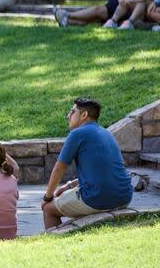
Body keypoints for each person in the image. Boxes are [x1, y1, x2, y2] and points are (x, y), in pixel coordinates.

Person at [42, 98, 133, 229]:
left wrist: (47, 197)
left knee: (48, 209)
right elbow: (101, 172)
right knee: (71, 197)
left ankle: (53, 244)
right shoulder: (106, 133)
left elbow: (59, 168)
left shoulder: (77, 133)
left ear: (84, 115)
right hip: (124, 197)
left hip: (97, 199)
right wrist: (69, 185)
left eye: (72, 112)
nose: (68, 115)